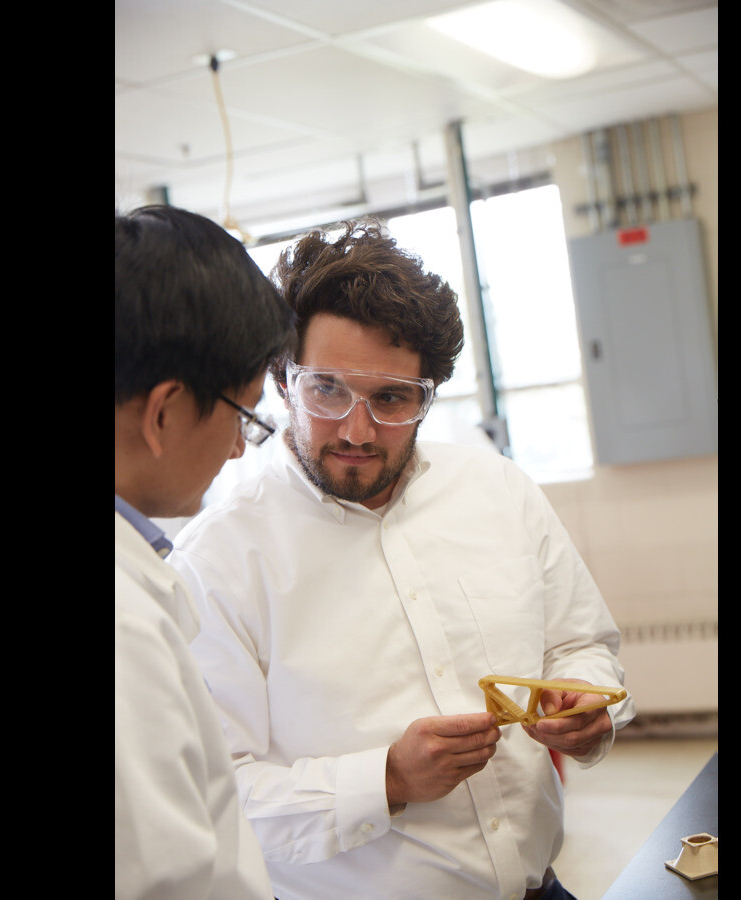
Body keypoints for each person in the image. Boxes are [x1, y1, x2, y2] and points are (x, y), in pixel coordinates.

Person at [169, 219, 635, 900]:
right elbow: (217, 797)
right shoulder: (217, 562)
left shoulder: (496, 490)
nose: (357, 431)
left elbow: (581, 645)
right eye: (326, 389)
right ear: (282, 378)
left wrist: (587, 709)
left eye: (391, 398)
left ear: (428, 396)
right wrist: (385, 780)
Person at [114, 204, 295, 899]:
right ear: (163, 413)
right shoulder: (124, 629)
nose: (233, 448)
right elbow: (164, 881)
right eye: (243, 414)